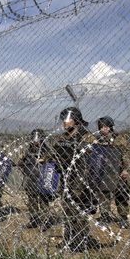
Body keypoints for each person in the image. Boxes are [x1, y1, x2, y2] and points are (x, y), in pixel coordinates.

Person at [52, 107, 100, 251]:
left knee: (79, 212)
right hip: (67, 179)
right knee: (67, 211)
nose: (64, 123)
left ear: (76, 121)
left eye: (67, 120)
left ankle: (80, 241)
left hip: (82, 181)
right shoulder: (62, 138)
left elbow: (94, 160)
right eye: (64, 120)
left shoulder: (87, 137)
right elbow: (55, 154)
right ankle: (69, 239)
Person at [92, 117, 130, 229]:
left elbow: (126, 155)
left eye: (106, 126)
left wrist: (125, 169)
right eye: (101, 127)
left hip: (118, 172)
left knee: (121, 195)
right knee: (103, 196)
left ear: (110, 127)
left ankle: (123, 218)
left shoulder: (119, 140)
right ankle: (105, 216)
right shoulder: (97, 140)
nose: (104, 129)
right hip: (103, 173)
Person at [18, 129, 55, 229]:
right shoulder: (28, 150)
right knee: (32, 201)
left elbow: (51, 161)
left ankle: (46, 221)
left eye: (37, 139)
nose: (35, 141)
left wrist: (44, 159)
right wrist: (21, 159)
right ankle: (34, 220)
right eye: (33, 139)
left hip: (42, 179)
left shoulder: (46, 150)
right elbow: (20, 163)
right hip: (30, 178)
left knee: (43, 201)